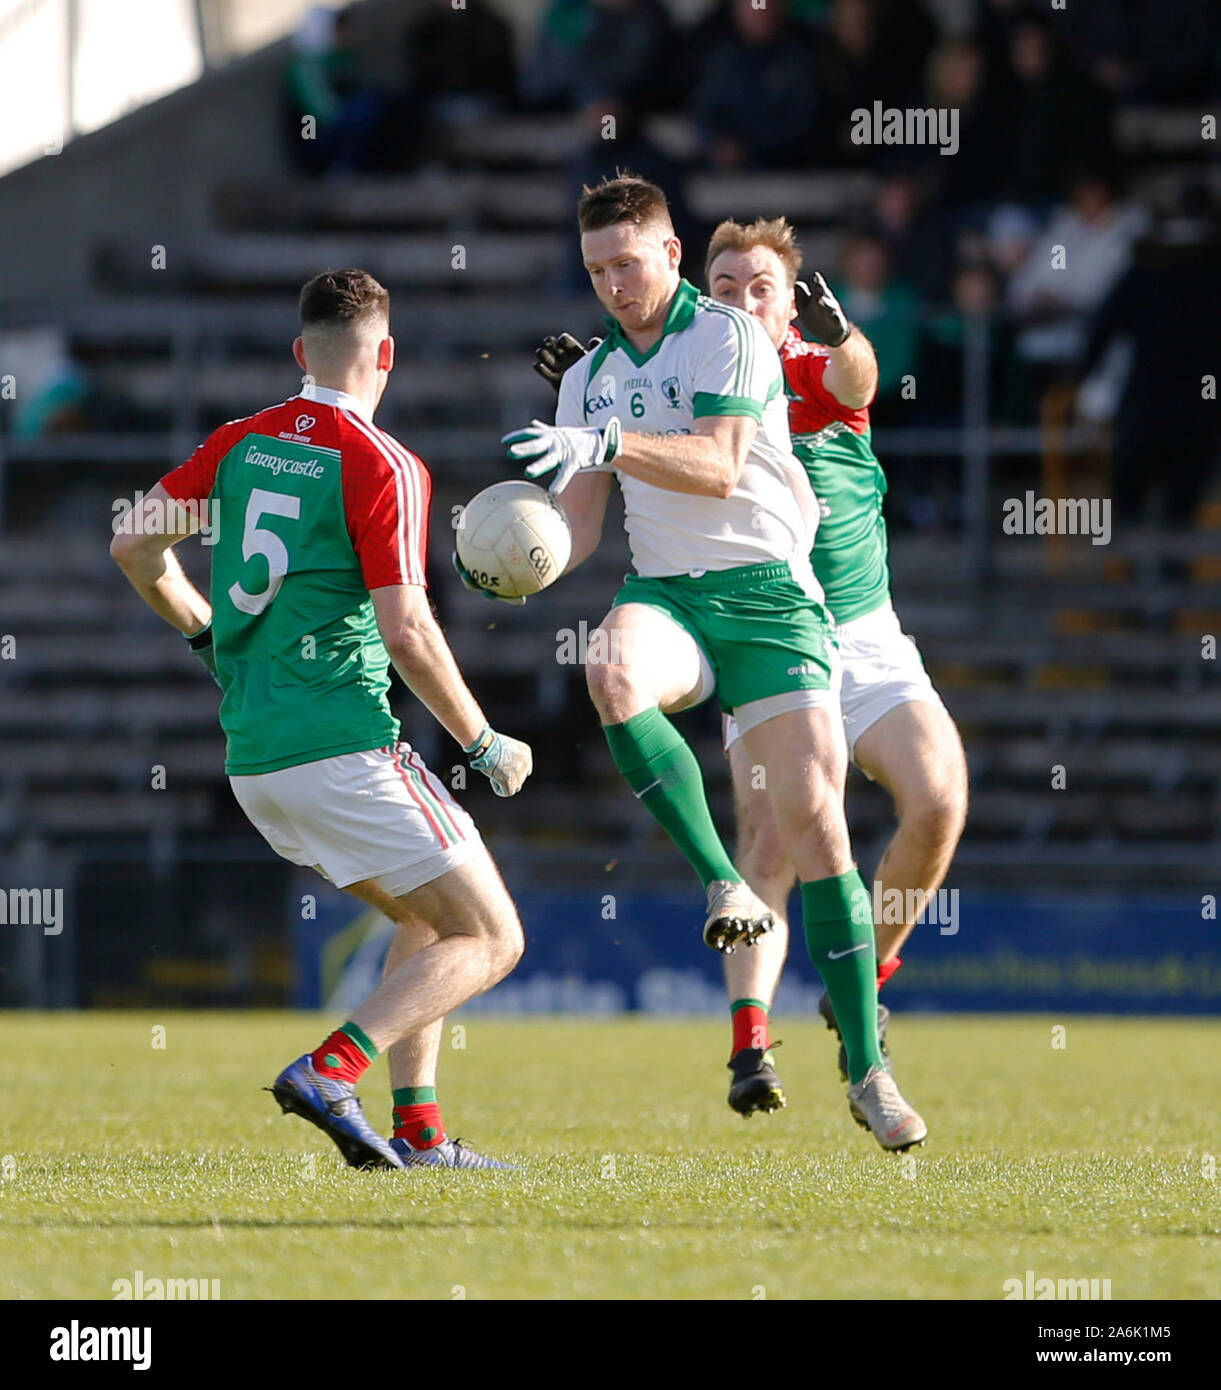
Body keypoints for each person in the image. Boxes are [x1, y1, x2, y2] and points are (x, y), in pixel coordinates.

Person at [479, 176, 926, 1150]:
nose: (611, 286)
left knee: (816, 826)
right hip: (671, 591)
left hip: (770, 596)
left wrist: (604, 436)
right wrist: (518, 554)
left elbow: (720, 465)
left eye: (626, 264)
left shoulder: (729, 334)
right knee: (611, 670)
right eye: (595, 270)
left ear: (672, 254)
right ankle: (722, 880)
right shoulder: (588, 374)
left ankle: (866, 1068)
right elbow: (586, 529)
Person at [110, 269, 530, 1171]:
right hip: (342, 745)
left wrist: (204, 634)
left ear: (300, 352)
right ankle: (328, 1072)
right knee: (492, 936)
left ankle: (420, 1137)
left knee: (426, 925)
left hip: (256, 760)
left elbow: (134, 543)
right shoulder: (382, 462)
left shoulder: (238, 443)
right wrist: (483, 742)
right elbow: (407, 626)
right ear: (386, 355)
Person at [703, 218, 968, 1096]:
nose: (742, 299)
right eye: (727, 284)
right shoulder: (690, 384)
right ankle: (749, 1045)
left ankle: (866, 975)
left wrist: (840, 333)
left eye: (761, 286)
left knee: (937, 799)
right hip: (770, 638)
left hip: (864, 636)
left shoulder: (809, 368)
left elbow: (861, 378)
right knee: (770, 840)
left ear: (790, 302)